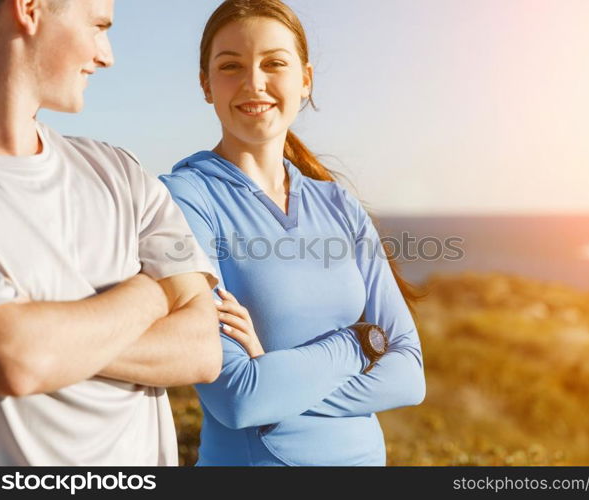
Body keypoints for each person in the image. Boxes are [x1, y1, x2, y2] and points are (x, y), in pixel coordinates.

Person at [160, 0, 425, 466]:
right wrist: (359, 343)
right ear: (206, 84)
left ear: (305, 79)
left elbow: (409, 376)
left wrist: (276, 380)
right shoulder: (185, 198)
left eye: (273, 64)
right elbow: (238, 399)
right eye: (231, 66)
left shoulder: (337, 203)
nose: (254, 83)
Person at [0, 0, 222, 466]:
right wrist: (153, 292)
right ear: (28, 8)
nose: (108, 55)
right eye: (99, 26)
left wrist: (53, 344)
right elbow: (9, 357)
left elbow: (204, 348)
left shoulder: (123, 173)